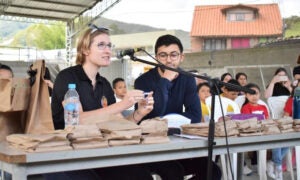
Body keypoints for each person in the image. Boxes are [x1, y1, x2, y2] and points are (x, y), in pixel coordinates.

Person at [49, 24, 154, 180]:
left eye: (109, 45)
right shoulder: (67, 77)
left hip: (96, 152)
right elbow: (77, 119)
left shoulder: (103, 83)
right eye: (101, 45)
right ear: (85, 50)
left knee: (141, 176)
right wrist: (122, 104)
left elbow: (119, 123)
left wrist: (138, 113)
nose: (108, 50)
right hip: (65, 154)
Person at [135, 34, 221, 180]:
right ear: (156, 57)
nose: (168, 60)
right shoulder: (143, 81)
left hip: (178, 141)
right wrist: (165, 81)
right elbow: (155, 114)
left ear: (182, 57)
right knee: (174, 171)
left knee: (212, 171)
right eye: (163, 55)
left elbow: (194, 116)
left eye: (173, 55)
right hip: (153, 146)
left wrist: (169, 121)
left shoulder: (187, 79)